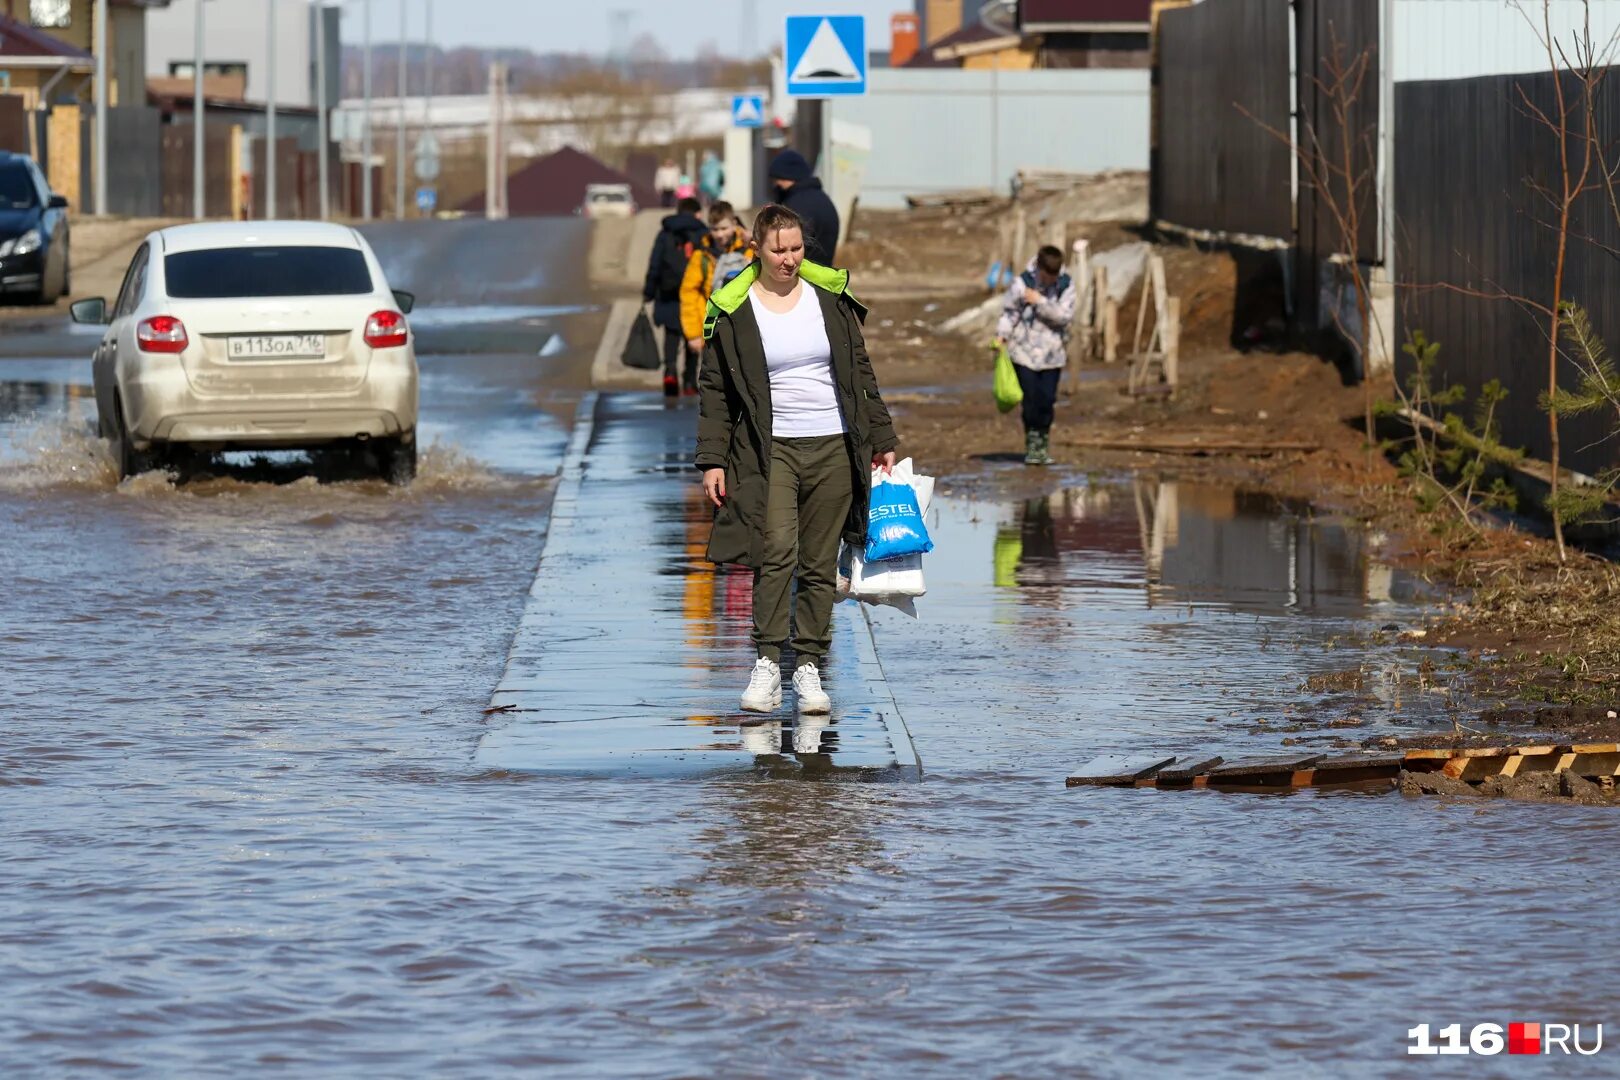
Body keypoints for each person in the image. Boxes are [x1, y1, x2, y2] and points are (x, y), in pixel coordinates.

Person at [695, 204, 899, 715]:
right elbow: (716, 390)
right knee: (776, 553)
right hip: (771, 450)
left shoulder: (828, 297)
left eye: (796, 249)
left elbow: (859, 370)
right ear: (757, 250)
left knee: (818, 562)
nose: (788, 260)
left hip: (833, 444)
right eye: (777, 250)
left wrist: (882, 435)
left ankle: (808, 666)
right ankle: (767, 663)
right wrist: (713, 459)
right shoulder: (736, 307)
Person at [995, 245, 1077, 466]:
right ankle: (1033, 443)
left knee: (1047, 399)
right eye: (1046, 275)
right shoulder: (1022, 283)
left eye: (1053, 276)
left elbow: (1065, 316)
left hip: (1053, 354)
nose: (1049, 280)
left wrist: (1040, 302)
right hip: (1023, 352)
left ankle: (1043, 438)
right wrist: (1001, 335)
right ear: (1038, 268)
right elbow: (1010, 312)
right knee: (1030, 400)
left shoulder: (1065, 284)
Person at [678, 201, 753, 395]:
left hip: (746, 327)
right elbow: (689, 293)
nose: (720, 234)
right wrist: (694, 333)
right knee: (717, 384)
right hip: (714, 330)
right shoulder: (701, 256)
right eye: (715, 229)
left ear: (735, 224)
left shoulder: (750, 250)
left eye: (724, 228)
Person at [643, 196, 708, 397]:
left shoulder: (665, 233)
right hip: (694, 294)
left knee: (671, 335)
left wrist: (649, 291)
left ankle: (670, 371)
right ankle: (689, 380)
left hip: (668, 293)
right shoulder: (703, 233)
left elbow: (655, 264)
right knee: (693, 334)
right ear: (697, 213)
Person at [767, 148, 840, 265]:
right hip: (822, 273)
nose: (776, 184)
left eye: (777, 178)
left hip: (804, 275)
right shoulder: (821, 197)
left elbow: (785, 242)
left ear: (788, 175)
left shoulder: (797, 205)